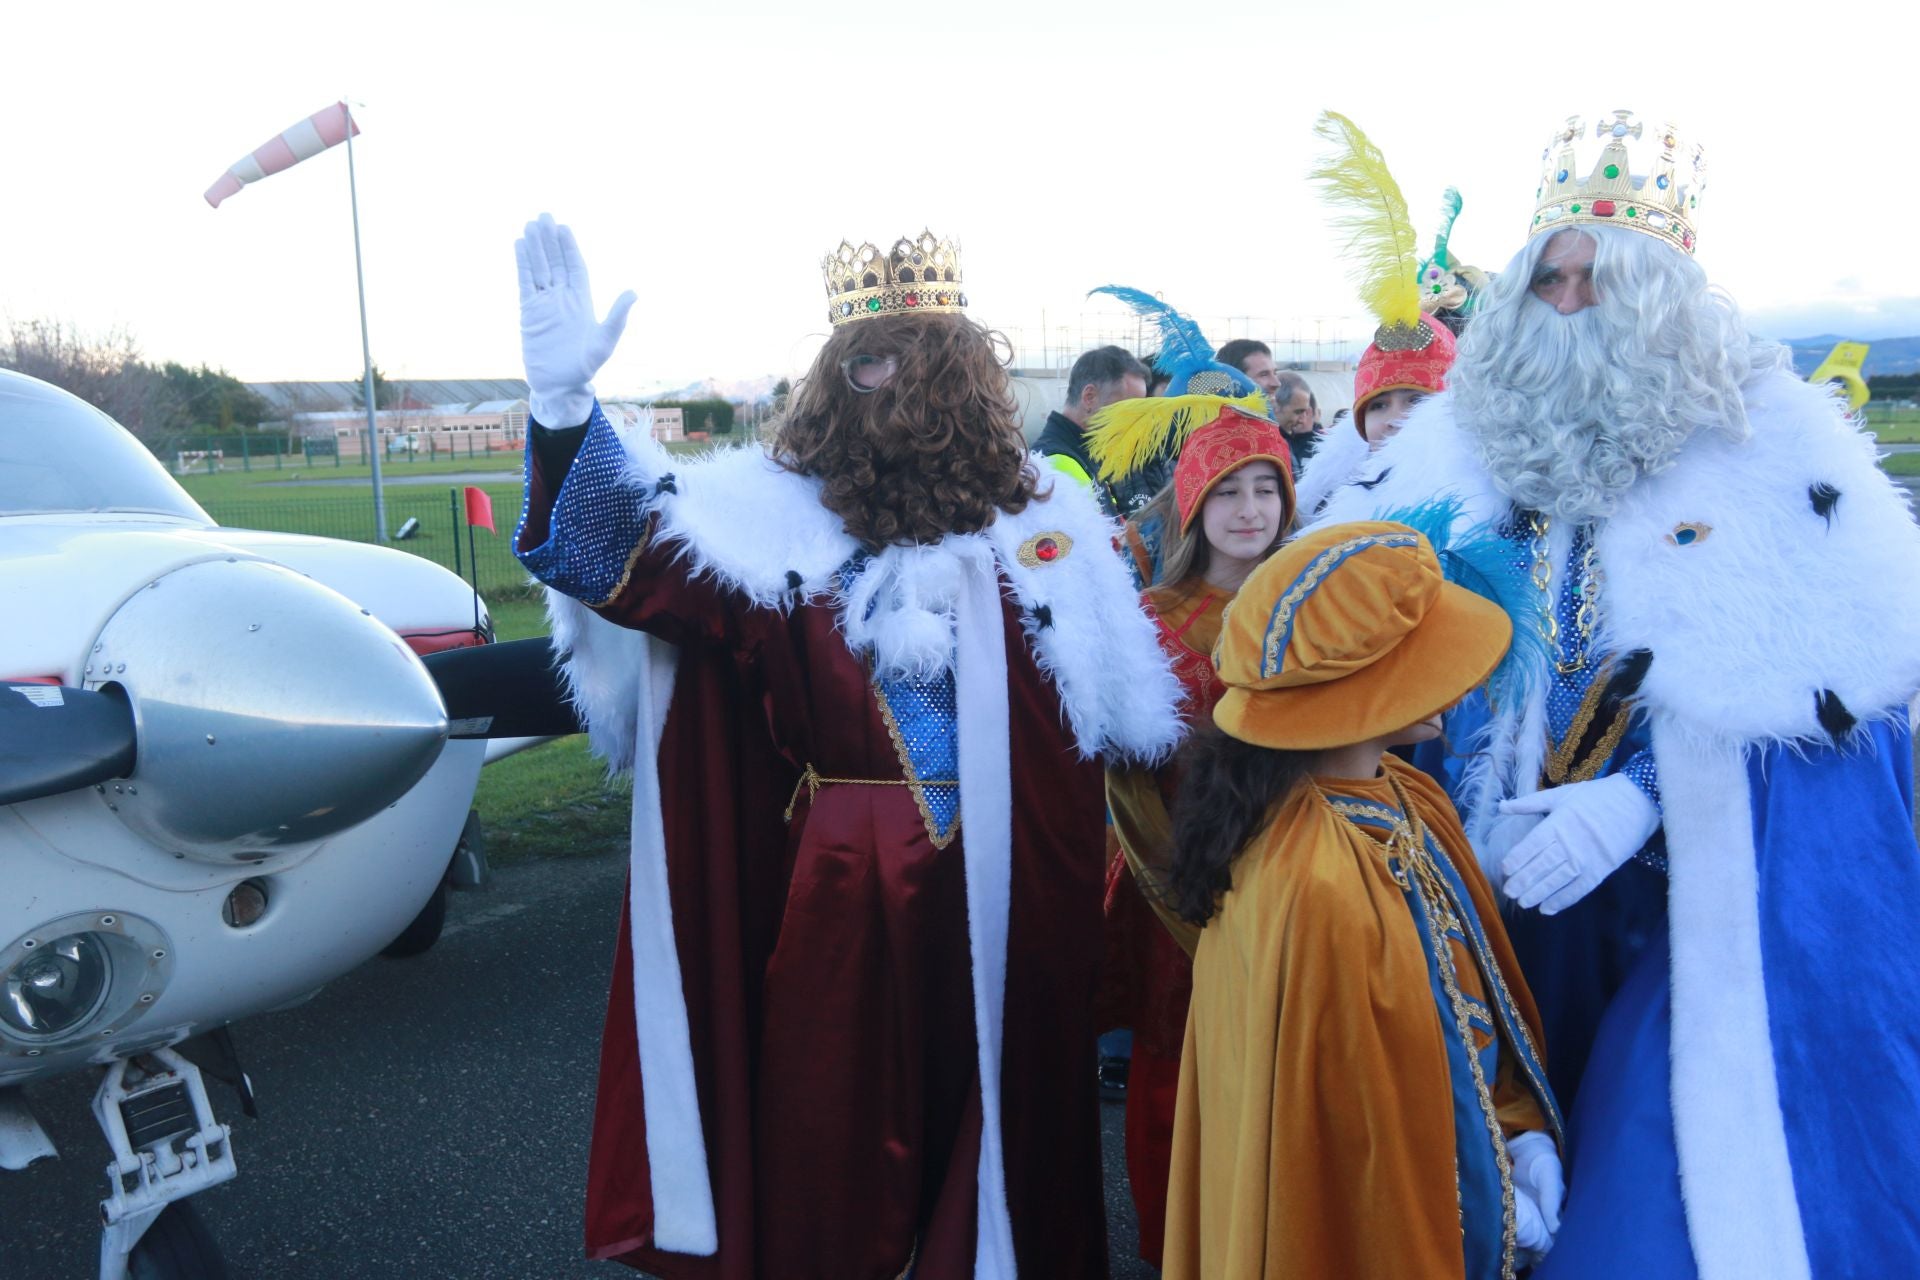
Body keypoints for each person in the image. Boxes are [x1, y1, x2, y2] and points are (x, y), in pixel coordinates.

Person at [511, 215, 1186, 1279]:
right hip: (835, 881)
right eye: (866, 363)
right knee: (827, 1141)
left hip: (1014, 880)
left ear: (964, 379)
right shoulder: (769, 525)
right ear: (831, 379)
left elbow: (1123, 714)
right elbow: (622, 559)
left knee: (1004, 1129)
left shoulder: (1042, 521)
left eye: (917, 363)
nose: (890, 387)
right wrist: (561, 412)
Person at [1315, 112, 1920, 1278]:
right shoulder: (1446, 453)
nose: (1571, 298)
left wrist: (1637, 799)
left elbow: (1838, 718)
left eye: (1603, 275)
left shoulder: (1770, 450)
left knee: (1647, 1207)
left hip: (1683, 912)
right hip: (1478, 889)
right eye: (1549, 273)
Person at [1159, 521, 1564, 1280]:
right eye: (1425, 656)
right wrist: (1485, 1200)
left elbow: (1461, 1000)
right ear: (1362, 687)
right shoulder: (1317, 878)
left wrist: (1513, 1129)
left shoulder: (1406, 794)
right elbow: (1369, 1134)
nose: (1458, 678)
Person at [1081, 391, 1297, 1268]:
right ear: (1193, 505)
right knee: (1178, 1068)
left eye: (1266, 490)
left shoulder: (1319, 599)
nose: (1249, 512)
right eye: (1227, 493)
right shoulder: (1151, 622)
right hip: (1182, 886)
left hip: (1298, 880)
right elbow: (1119, 761)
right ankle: (1183, 1243)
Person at [1293, 111, 1472, 520]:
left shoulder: (1483, 507)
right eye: (1377, 406)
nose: (1394, 420)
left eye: (1416, 401)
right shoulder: (1328, 509)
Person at [1035, 344, 1153, 516]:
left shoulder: (1087, 452)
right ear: (1089, 397)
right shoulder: (1057, 464)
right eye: (1128, 410)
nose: (1134, 422)